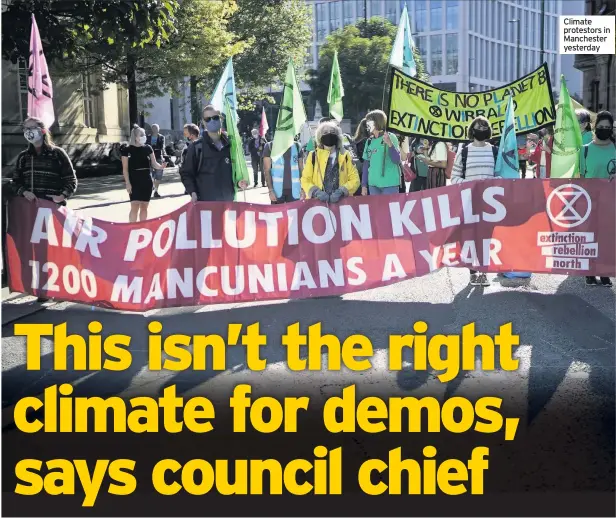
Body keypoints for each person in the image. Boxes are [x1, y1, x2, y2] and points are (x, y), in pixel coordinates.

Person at [12, 117, 78, 303]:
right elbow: (15, 181)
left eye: (32, 128)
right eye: (25, 128)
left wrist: (62, 196)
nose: (28, 131)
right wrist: (23, 192)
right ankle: (34, 285)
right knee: (31, 250)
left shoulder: (58, 154)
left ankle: (48, 288)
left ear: (42, 130)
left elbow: (71, 180)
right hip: (30, 212)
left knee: (47, 251)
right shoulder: (24, 157)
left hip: (51, 212)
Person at [450, 116, 499, 287]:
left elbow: (501, 176)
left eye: (485, 126)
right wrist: (469, 184)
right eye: (479, 126)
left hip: (489, 204)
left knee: (485, 238)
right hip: (468, 201)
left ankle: (484, 272)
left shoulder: (495, 151)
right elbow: (454, 177)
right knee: (469, 237)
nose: (481, 128)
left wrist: (493, 182)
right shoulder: (463, 151)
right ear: (472, 130)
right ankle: (472, 272)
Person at [181, 105, 248, 203]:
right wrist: (193, 192)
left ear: (221, 119)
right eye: (207, 119)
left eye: (215, 118)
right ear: (203, 122)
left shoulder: (232, 145)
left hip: (228, 204)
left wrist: (239, 183)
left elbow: (235, 171)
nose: (212, 121)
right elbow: (186, 173)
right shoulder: (196, 147)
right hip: (206, 205)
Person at [579, 111, 615, 287]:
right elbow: (581, 178)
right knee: (591, 236)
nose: (604, 130)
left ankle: (605, 271)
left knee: (607, 237)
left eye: (608, 128)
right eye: (601, 127)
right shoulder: (585, 151)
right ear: (595, 127)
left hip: (610, 202)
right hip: (590, 202)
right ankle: (590, 271)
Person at [301, 121, 360, 203]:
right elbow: (305, 179)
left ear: (337, 136)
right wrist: (316, 192)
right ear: (320, 137)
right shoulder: (313, 156)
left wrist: (342, 191)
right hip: (317, 204)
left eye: (332, 132)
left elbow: (355, 179)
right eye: (325, 132)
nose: (329, 134)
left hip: (342, 204)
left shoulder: (345, 155)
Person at [121, 125, 167, 223]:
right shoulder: (127, 150)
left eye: (144, 134)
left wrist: (161, 166)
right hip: (134, 180)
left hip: (146, 180)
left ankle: (142, 227)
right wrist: (127, 183)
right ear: (135, 137)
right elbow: (125, 169)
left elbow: (154, 163)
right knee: (134, 206)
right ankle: (131, 228)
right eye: (141, 135)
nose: (144, 136)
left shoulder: (148, 148)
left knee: (144, 207)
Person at [361, 109, 402, 195]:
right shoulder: (369, 141)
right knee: (376, 209)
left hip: (390, 184)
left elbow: (397, 160)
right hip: (373, 185)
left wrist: (390, 144)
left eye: (369, 121)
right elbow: (366, 164)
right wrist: (364, 185)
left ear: (376, 122)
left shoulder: (391, 137)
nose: (366, 124)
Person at [262, 135, 305, 204]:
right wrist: (270, 190)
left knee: (294, 214)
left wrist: (303, 188)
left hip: (295, 192)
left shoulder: (297, 146)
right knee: (277, 214)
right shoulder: (270, 146)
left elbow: (301, 169)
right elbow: (267, 170)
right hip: (277, 192)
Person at [146, 124, 166, 198]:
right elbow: (146, 146)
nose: (155, 129)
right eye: (153, 128)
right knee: (150, 174)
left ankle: (156, 191)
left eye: (156, 128)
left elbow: (162, 147)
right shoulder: (148, 137)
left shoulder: (161, 137)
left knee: (159, 174)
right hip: (149, 157)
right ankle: (152, 186)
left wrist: (164, 156)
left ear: (158, 129)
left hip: (158, 157)